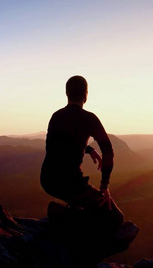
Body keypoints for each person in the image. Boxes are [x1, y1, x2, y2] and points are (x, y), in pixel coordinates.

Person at [40, 75, 124, 229]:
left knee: (86, 205)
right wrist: (104, 186)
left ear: (67, 93)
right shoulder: (89, 118)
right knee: (115, 218)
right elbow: (108, 152)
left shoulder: (56, 116)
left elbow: (59, 146)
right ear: (86, 94)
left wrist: (89, 149)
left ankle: (69, 212)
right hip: (71, 184)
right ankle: (59, 214)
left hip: (48, 180)